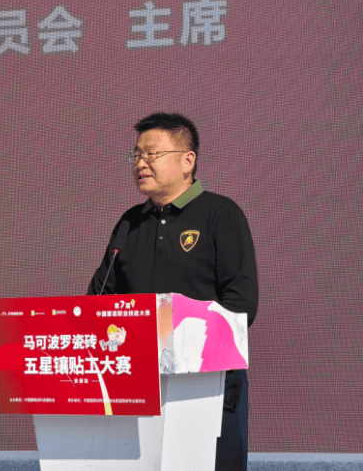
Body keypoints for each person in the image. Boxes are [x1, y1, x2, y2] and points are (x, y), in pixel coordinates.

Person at [87, 112, 258, 471]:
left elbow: (241, 305)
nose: (140, 163)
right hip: (137, 389)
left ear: (187, 161)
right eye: (136, 154)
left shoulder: (221, 214)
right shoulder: (129, 223)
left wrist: (175, 338)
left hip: (207, 389)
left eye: (152, 154)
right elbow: (99, 301)